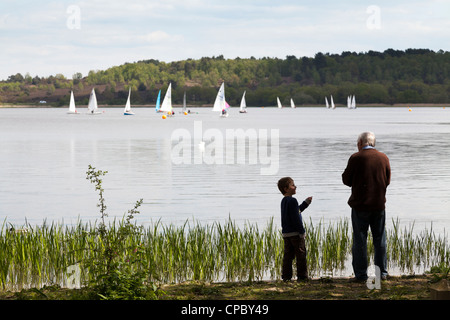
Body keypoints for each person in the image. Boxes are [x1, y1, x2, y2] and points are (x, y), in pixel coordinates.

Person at [342, 132, 391, 282]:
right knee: (379, 239)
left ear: (360, 143)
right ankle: (381, 273)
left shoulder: (355, 158)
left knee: (360, 240)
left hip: (360, 206)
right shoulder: (384, 158)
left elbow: (346, 180)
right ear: (373, 143)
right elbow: (387, 180)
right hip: (378, 205)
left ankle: (361, 275)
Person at [277, 177, 313, 282]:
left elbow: (296, 211)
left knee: (288, 256)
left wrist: (306, 203)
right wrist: (301, 232)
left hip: (286, 233)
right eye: (292, 185)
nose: (295, 186)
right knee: (301, 255)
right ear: (286, 188)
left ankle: (286, 277)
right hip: (295, 234)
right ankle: (302, 277)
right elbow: (296, 218)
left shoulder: (284, 201)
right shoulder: (292, 200)